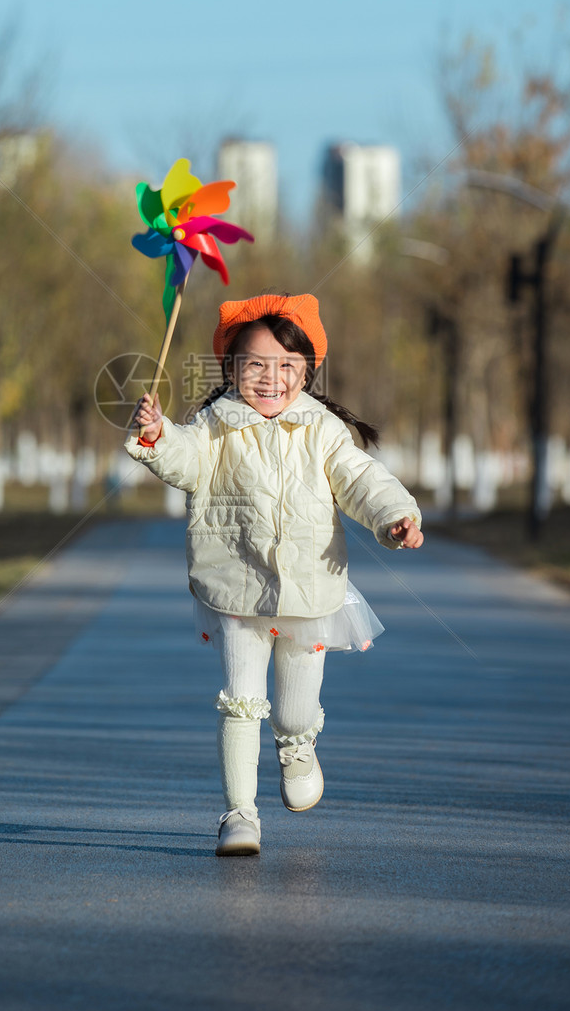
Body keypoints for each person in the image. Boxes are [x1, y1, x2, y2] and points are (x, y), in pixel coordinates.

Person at [125, 292, 423, 857]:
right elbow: (183, 460)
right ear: (231, 368)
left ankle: (299, 746)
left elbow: (361, 480)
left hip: (309, 592)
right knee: (240, 701)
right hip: (237, 587)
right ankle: (239, 814)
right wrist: (157, 435)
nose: (271, 377)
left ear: (307, 371)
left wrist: (394, 517)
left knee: (293, 707)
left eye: (287, 365)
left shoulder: (323, 430)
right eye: (256, 363)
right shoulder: (214, 427)